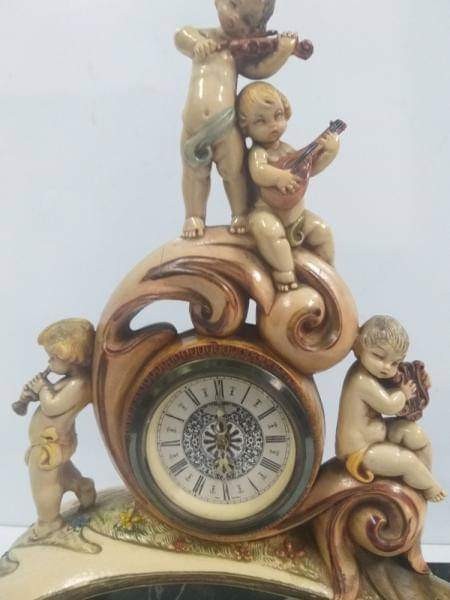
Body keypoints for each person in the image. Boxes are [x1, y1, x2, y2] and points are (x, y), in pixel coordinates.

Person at [175, 0, 300, 239]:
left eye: (248, 21)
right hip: (193, 128)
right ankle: (194, 216)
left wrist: (283, 52)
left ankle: (240, 213)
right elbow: (181, 35)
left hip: (226, 125)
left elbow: (258, 70)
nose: (234, 19)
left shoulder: (237, 52)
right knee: (194, 174)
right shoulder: (206, 37)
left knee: (235, 172)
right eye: (232, 5)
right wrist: (196, 44)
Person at [237, 81, 339, 292]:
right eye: (261, 121)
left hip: (297, 218)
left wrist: (330, 152)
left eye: (278, 116)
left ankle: (326, 274)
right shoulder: (258, 153)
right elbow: (258, 172)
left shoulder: (288, 150)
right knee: (271, 232)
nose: (273, 125)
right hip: (267, 214)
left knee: (323, 232)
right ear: (245, 127)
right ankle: (284, 272)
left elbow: (310, 170)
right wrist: (278, 177)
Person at [336, 315, 446, 502]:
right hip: (360, 452)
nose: (387, 367)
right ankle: (429, 486)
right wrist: (404, 393)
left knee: (416, 436)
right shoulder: (360, 380)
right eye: (379, 356)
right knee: (408, 461)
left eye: (395, 363)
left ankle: (420, 482)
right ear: (358, 347)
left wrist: (420, 382)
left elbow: (395, 383)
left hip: (378, 434)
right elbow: (389, 405)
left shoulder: (372, 371)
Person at [20, 318, 97, 539]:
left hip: (49, 447)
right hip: (54, 444)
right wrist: (33, 394)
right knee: (63, 474)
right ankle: (82, 487)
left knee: (44, 485)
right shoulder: (73, 380)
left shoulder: (79, 384)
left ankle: (49, 522)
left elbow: (53, 407)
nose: (49, 361)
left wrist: (43, 389)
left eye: (53, 357)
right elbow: (54, 398)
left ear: (69, 358)